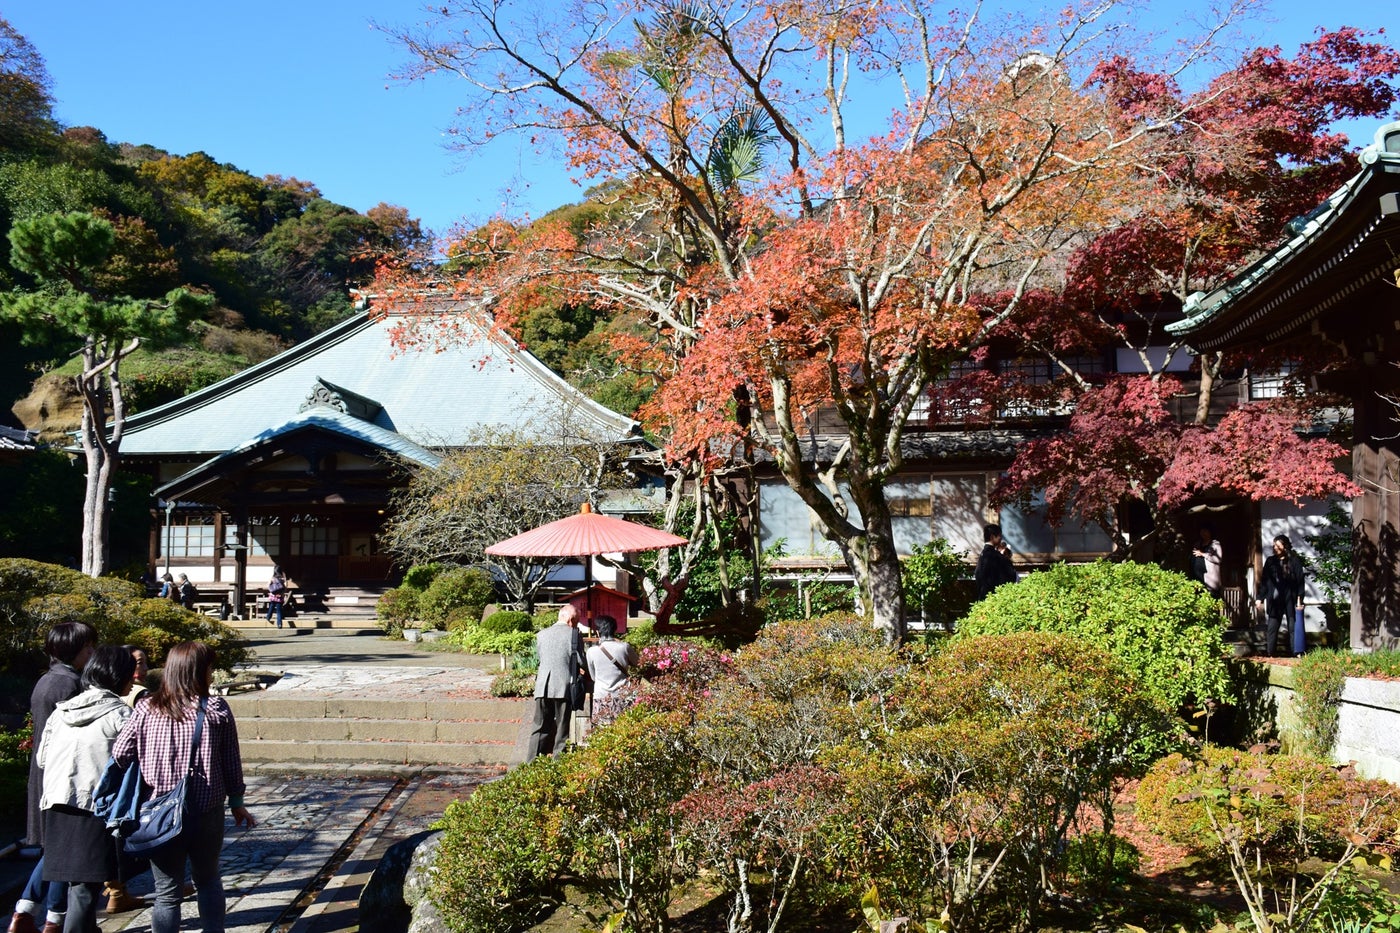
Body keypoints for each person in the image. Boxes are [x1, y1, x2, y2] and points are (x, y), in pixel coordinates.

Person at [111, 642, 255, 933]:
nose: (212, 674)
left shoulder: (146, 708)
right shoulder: (215, 708)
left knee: (167, 892)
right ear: (198, 671)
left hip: (158, 811)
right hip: (205, 809)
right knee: (208, 880)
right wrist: (237, 801)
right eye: (210, 668)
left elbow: (120, 754)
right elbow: (231, 760)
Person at [36, 647, 136, 933]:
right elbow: (133, 762)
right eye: (129, 674)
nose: (132, 681)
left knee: (75, 883)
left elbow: (43, 759)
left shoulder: (62, 712)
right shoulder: (120, 714)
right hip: (94, 806)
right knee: (85, 887)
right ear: (118, 676)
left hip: (56, 802)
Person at [11, 621, 96, 933]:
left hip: (44, 771)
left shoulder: (48, 680)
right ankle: (50, 917)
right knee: (65, 849)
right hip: (62, 775)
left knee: (58, 848)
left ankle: (30, 911)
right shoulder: (69, 685)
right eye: (88, 648)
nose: (92, 653)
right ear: (74, 650)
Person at [528, 604, 587, 761]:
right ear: (569, 620)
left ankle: (530, 764)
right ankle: (557, 764)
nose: (576, 624)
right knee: (562, 728)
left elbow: (542, 658)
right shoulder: (574, 634)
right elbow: (581, 661)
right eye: (576, 621)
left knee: (539, 727)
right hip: (563, 686)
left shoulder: (541, 634)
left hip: (542, 686)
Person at [586, 615, 639, 728]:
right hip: (623, 695)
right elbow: (637, 663)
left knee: (601, 733)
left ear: (598, 631)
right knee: (624, 730)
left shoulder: (591, 651)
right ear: (615, 629)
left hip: (601, 696)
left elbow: (593, 677)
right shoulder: (624, 647)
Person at [1258, 534, 1306, 657]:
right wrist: (1260, 598)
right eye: (1274, 545)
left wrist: (1300, 599)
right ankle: (1270, 653)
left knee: (1292, 627)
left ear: (1284, 546)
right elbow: (1264, 581)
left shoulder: (1294, 561)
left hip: (1290, 598)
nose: (1275, 548)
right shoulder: (1270, 561)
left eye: (1278, 545)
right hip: (1275, 599)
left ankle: (1296, 652)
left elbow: (1300, 581)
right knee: (1272, 627)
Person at [973, 524, 1018, 599]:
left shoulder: (983, 554)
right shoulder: (996, 556)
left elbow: (978, 575)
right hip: (994, 598)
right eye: (1000, 536)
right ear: (992, 537)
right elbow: (1010, 575)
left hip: (983, 596)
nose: (1001, 539)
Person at [1191, 524, 1224, 598]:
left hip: (1209, 578)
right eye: (1202, 532)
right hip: (1198, 577)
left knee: (1211, 597)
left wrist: (1203, 554)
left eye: (1205, 531)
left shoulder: (1215, 544)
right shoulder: (1198, 544)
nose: (1203, 534)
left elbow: (1218, 559)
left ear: (1210, 532)